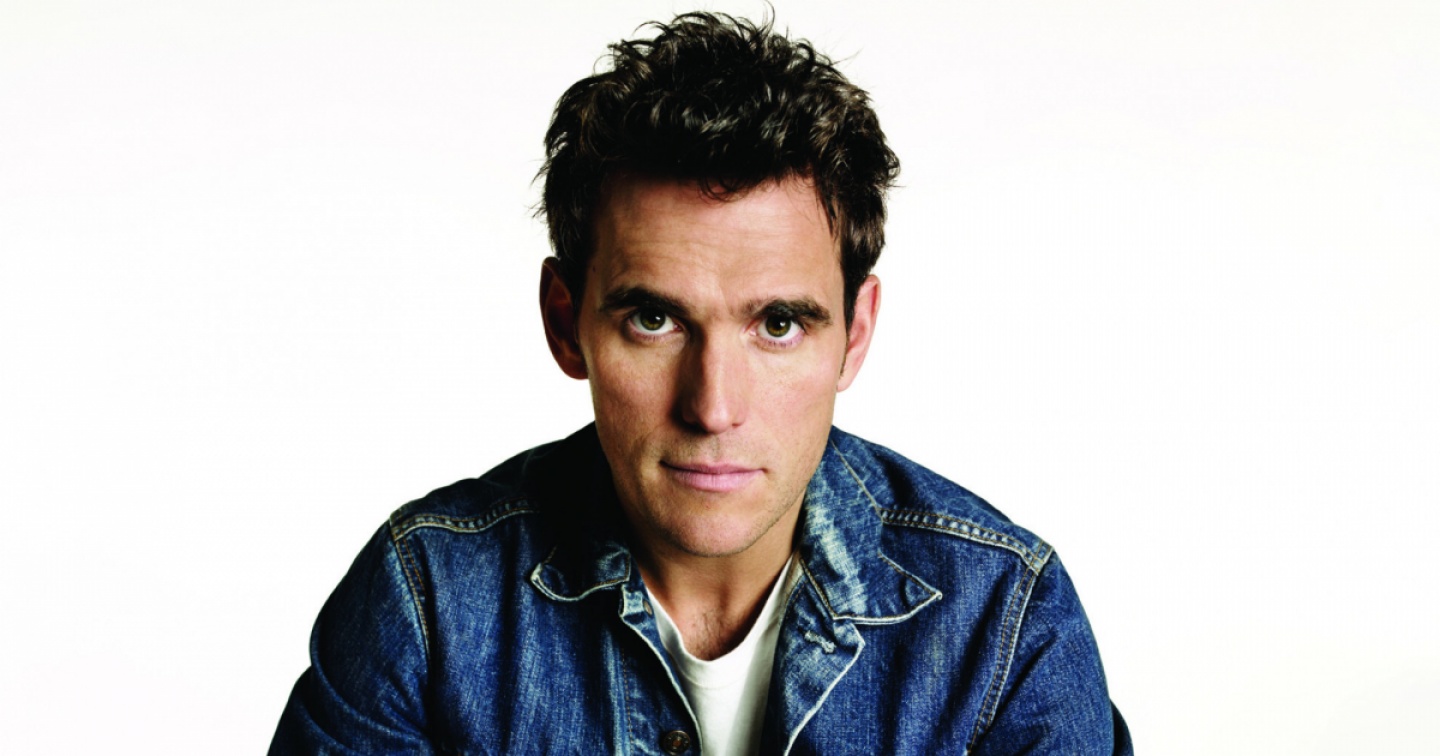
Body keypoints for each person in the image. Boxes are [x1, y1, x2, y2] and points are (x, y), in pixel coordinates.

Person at [270, 12, 1131, 755]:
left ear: (855, 334)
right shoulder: (427, 607)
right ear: (566, 322)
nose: (713, 406)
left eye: (779, 324)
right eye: (655, 320)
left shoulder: (1003, 626)